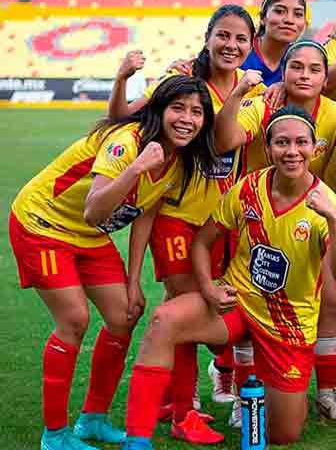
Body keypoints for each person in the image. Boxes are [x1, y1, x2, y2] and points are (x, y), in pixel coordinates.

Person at [119, 106, 336, 449]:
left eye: (301, 142)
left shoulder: (325, 204)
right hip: (238, 304)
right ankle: (136, 440)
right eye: (282, 142)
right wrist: (207, 288)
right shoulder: (249, 188)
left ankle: (273, 388)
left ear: (314, 146)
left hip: (287, 324)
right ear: (269, 147)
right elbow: (202, 242)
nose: (291, 151)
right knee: (164, 319)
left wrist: (333, 220)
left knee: (282, 434)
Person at [9, 75, 219, 450]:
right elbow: (93, 210)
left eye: (197, 111)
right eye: (178, 108)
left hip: (87, 237)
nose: (187, 118)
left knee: (124, 315)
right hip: (42, 222)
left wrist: (134, 280)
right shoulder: (127, 144)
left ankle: (93, 418)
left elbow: (146, 212)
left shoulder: (178, 158)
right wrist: (136, 169)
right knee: (74, 320)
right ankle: (54, 435)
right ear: (159, 110)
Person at [107, 4, 261, 443]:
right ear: (208, 36)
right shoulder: (182, 83)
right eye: (223, 35)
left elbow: (227, 141)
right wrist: (121, 79)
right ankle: (184, 410)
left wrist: (249, 94)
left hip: (219, 224)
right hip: (175, 219)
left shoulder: (255, 92)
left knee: (198, 312)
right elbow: (122, 117)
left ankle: (177, 400)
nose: (231, 45)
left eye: (240, 39)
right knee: (183, 310)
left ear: (250, 45)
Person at [216, 39, 336, 423]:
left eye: (314, 69)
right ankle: (244, 393)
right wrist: (242, 94)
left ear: (326, 78)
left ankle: (326, 391)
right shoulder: (264, 104)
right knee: (248, 301)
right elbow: (226, 141)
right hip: (259, 220)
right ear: (283, 72)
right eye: (296, 67)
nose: (305, 75)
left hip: (313, 222)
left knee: (332, 302)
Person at [240, 0, 309, 86]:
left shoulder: (302, 58)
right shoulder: (240, 51)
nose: (289, 20)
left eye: (298, 14)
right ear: (263, 18)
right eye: (279, 11)